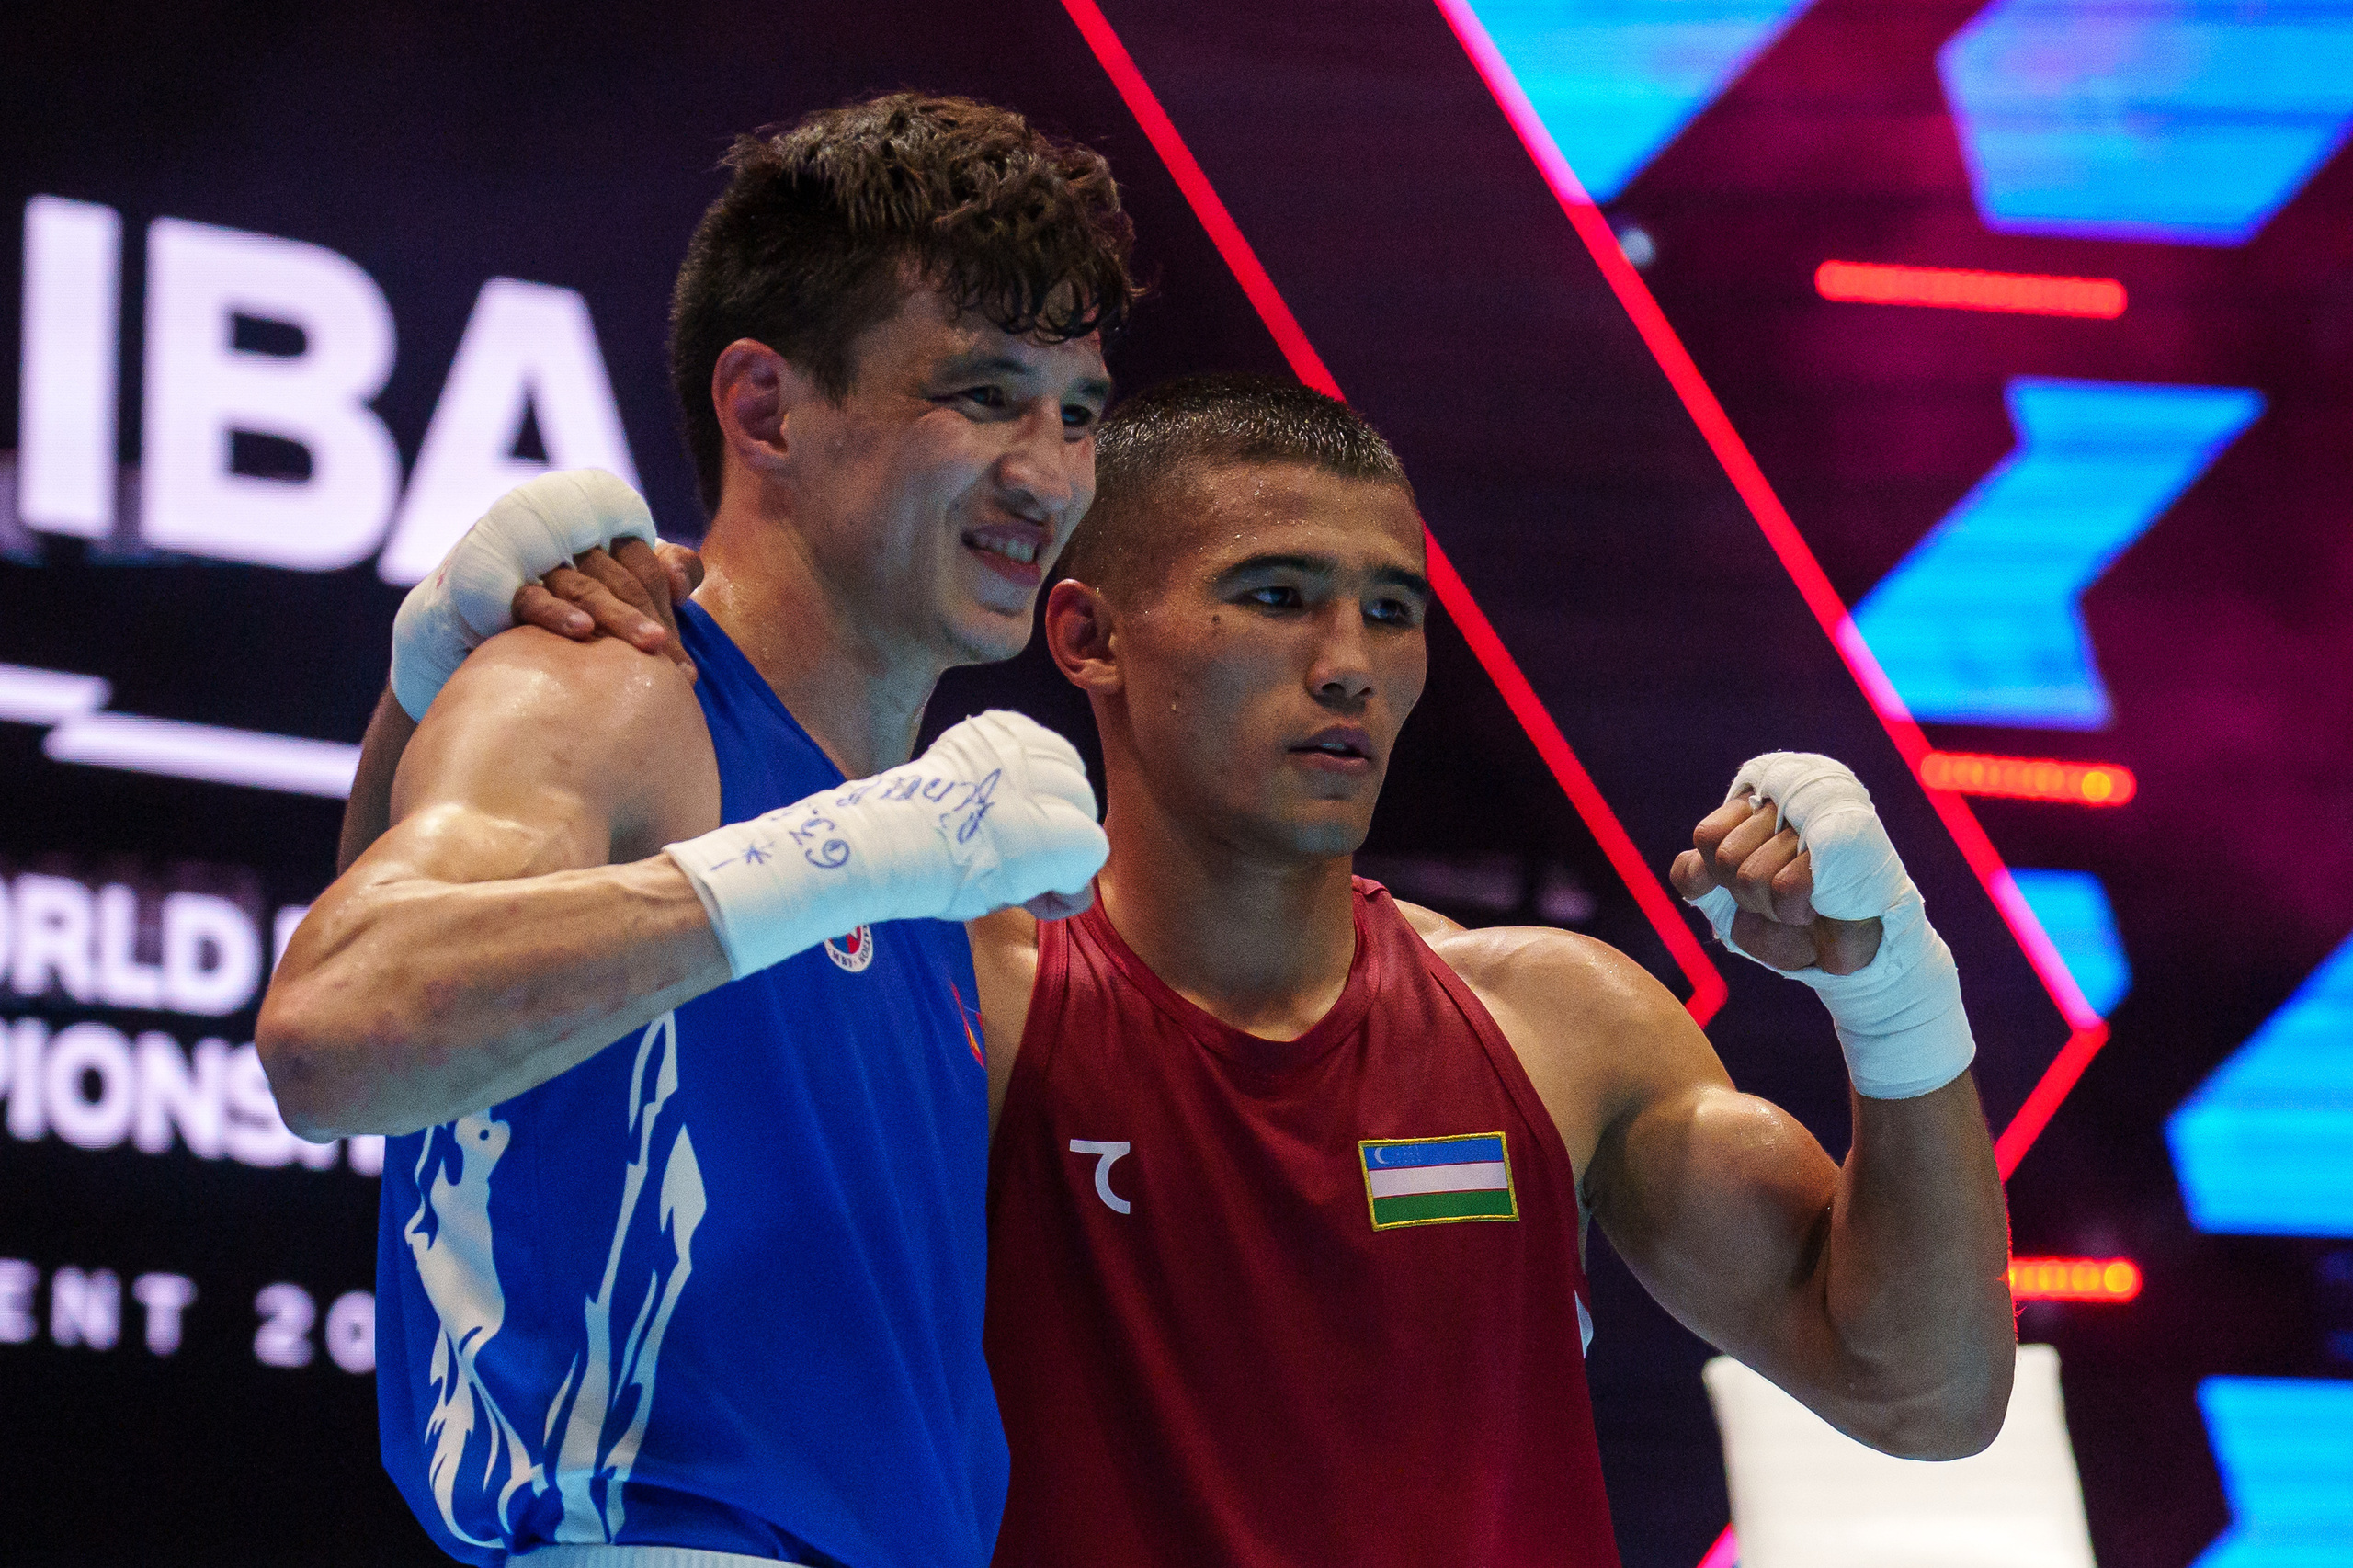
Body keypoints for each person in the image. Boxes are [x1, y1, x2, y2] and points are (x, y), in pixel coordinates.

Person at [390, 377, 2014, 1567]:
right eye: (1278, 597)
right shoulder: (953, 996)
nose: (1349, 664)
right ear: (1088, 634)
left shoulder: (1553, 1021)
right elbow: (430, 1009)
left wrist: (1897, 995)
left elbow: (1926, 1391)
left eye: (1393, 611)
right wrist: (434, 685)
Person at [256, 94, 1142, 1568]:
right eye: (982, 396)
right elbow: (334, 1033)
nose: (1048, 474)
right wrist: (871, 846)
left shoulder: (928, 850)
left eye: (1078, 413)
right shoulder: (616, 688)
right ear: (765, 408)